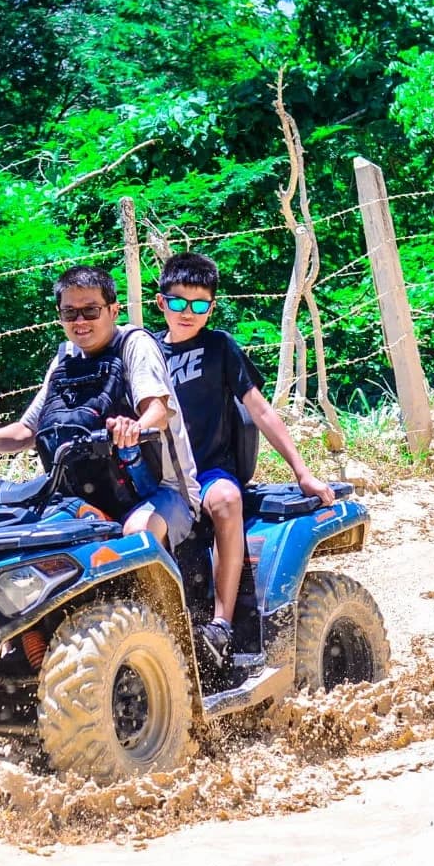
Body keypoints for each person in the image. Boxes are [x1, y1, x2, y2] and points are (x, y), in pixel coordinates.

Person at [0, 265, 200, 548]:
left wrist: (133, 428)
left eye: (91, 311)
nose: (80, 321)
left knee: (136, 536)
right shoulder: (66, 358)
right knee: (26, 540)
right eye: (70, 313)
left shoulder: (134, 344)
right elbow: (26, 432)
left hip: (162, 493)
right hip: (85, 498)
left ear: (113, 310)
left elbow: (158, 412)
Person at [154, 251, 334, 669]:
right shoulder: (144, 350)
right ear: (161, 302)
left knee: (227, 501)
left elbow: (260, 410)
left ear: (211, 307)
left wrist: (302, 472)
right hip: (160, 476)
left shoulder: (219, 347)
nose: (187, 312)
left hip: (210, 470)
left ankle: (221, 624)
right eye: (178, 302)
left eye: (199, 305)